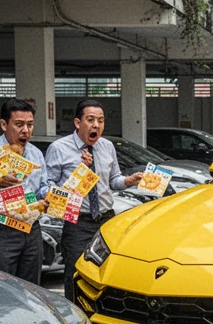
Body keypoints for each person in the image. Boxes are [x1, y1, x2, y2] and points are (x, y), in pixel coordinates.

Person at [46, 100, 143, 299]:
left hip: (106, 220)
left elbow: (114, 180)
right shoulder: (59, 148)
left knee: (108, 272)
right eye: (90, 120)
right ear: (77, 123)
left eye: (100, 121)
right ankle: (74, 312)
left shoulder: (107, 146)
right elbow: (48, 187)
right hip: (78, 222)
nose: (96, 125)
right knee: (76, 273)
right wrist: (81, 172)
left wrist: (128, 181)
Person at [0, 98, 50, 284]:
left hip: (31, 227)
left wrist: (49, 196)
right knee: (2, 287)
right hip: (0, 229)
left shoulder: (36, 153)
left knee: (32, 287)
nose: (26, 130)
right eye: (19, 124)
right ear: (3, 124)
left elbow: (42, 187)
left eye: (30, 125)